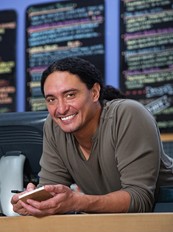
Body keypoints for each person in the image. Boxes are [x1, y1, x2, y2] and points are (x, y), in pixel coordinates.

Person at [11, 57, 173, 217]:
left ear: (95, 92)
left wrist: (77, 202)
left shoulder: (128, 114)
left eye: (70, 95)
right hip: (117, 222)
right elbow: (52, 191)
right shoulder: (54, 127)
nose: (60, 109)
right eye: (51, 99)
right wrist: (35, 202)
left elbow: (140, 200)